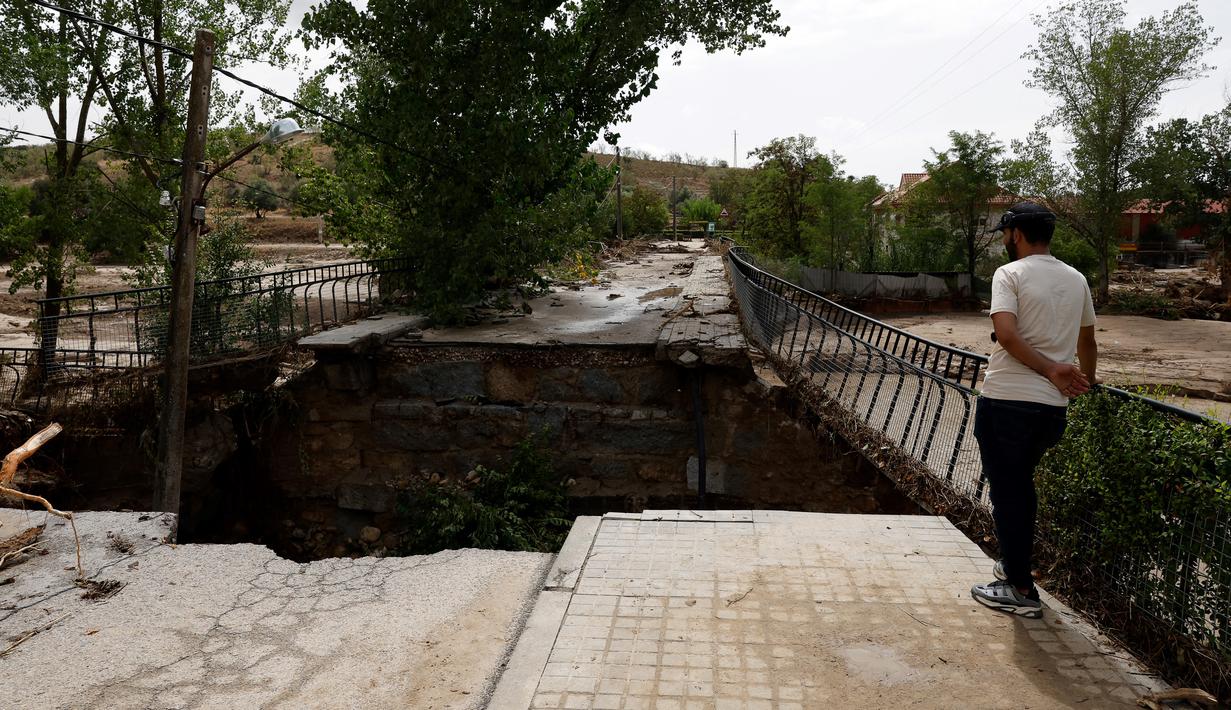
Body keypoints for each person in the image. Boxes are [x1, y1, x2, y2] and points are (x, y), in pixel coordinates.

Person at [969, 201, 1098, 619]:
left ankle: (1020, 589)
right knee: (1021, 489)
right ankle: (1014, 564)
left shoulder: (1009, 274)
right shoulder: (1076, 278)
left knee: (1009, 494)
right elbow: (1087, 343)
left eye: (1006, 234)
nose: (1006, 241)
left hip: (1007, 401)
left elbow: (1005, 334)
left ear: (1016, 234)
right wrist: (1081, 381)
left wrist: (1050, 369)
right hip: (1050, 411)